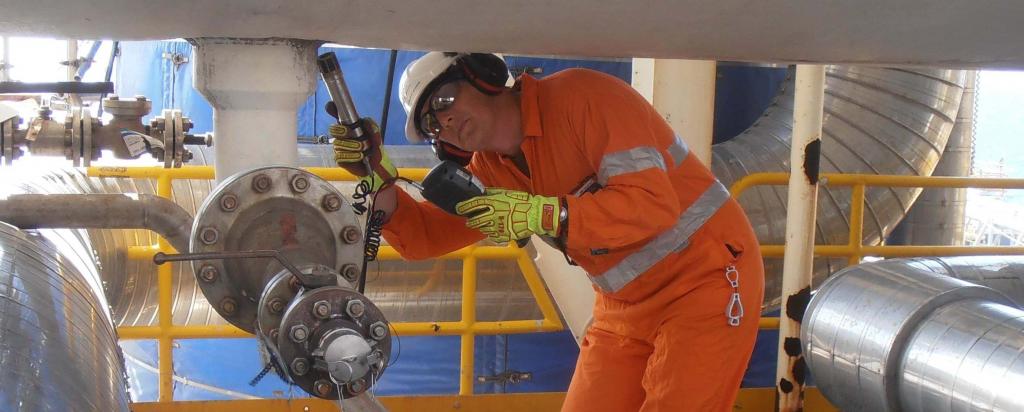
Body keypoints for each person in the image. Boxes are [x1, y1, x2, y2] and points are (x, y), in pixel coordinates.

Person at [330, 52, 764, 411]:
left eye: (444, 100)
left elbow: (652, 205)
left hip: (706, 281)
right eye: (431, 124)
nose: (445, 122)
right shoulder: (491, 170)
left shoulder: (584, 98)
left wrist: (546, 214)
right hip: (623, 307)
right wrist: (378, 180)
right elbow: (425, 236)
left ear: (483, 76)